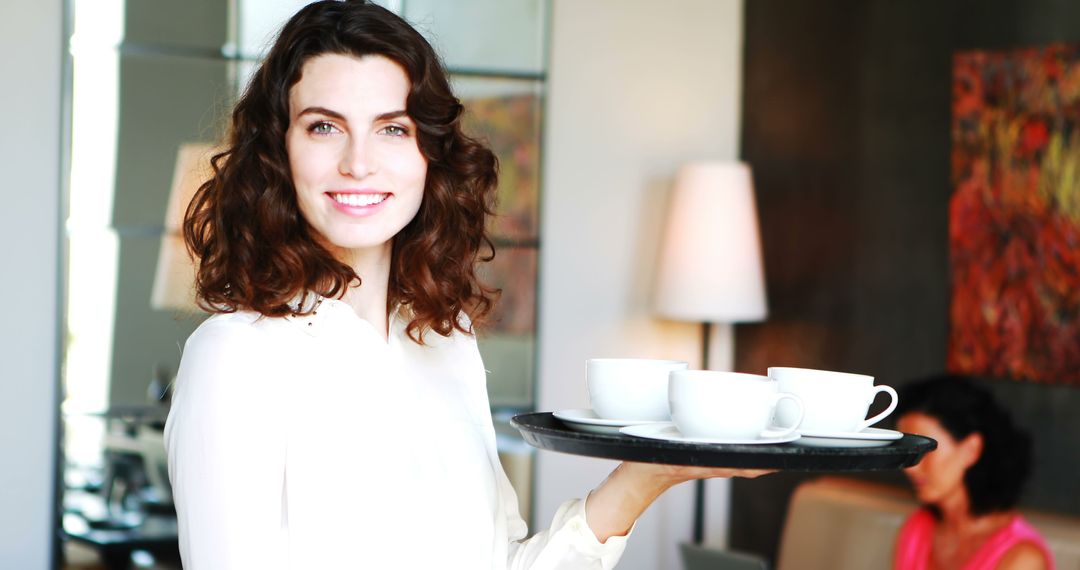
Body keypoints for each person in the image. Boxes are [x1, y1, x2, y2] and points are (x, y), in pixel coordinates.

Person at [163, 2, 767, 568]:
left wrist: (647, 476)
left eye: (392, 129)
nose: (358, 162)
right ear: (278, 150)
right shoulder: (235, 357)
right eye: (324, 127)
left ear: (429, 153)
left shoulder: (445, 343)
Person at [893, 374, 1054, 570]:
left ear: (971, 449)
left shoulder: (1022, 558)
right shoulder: (917, 529)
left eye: (925, 450)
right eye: (908, 452)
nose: (911, 467)